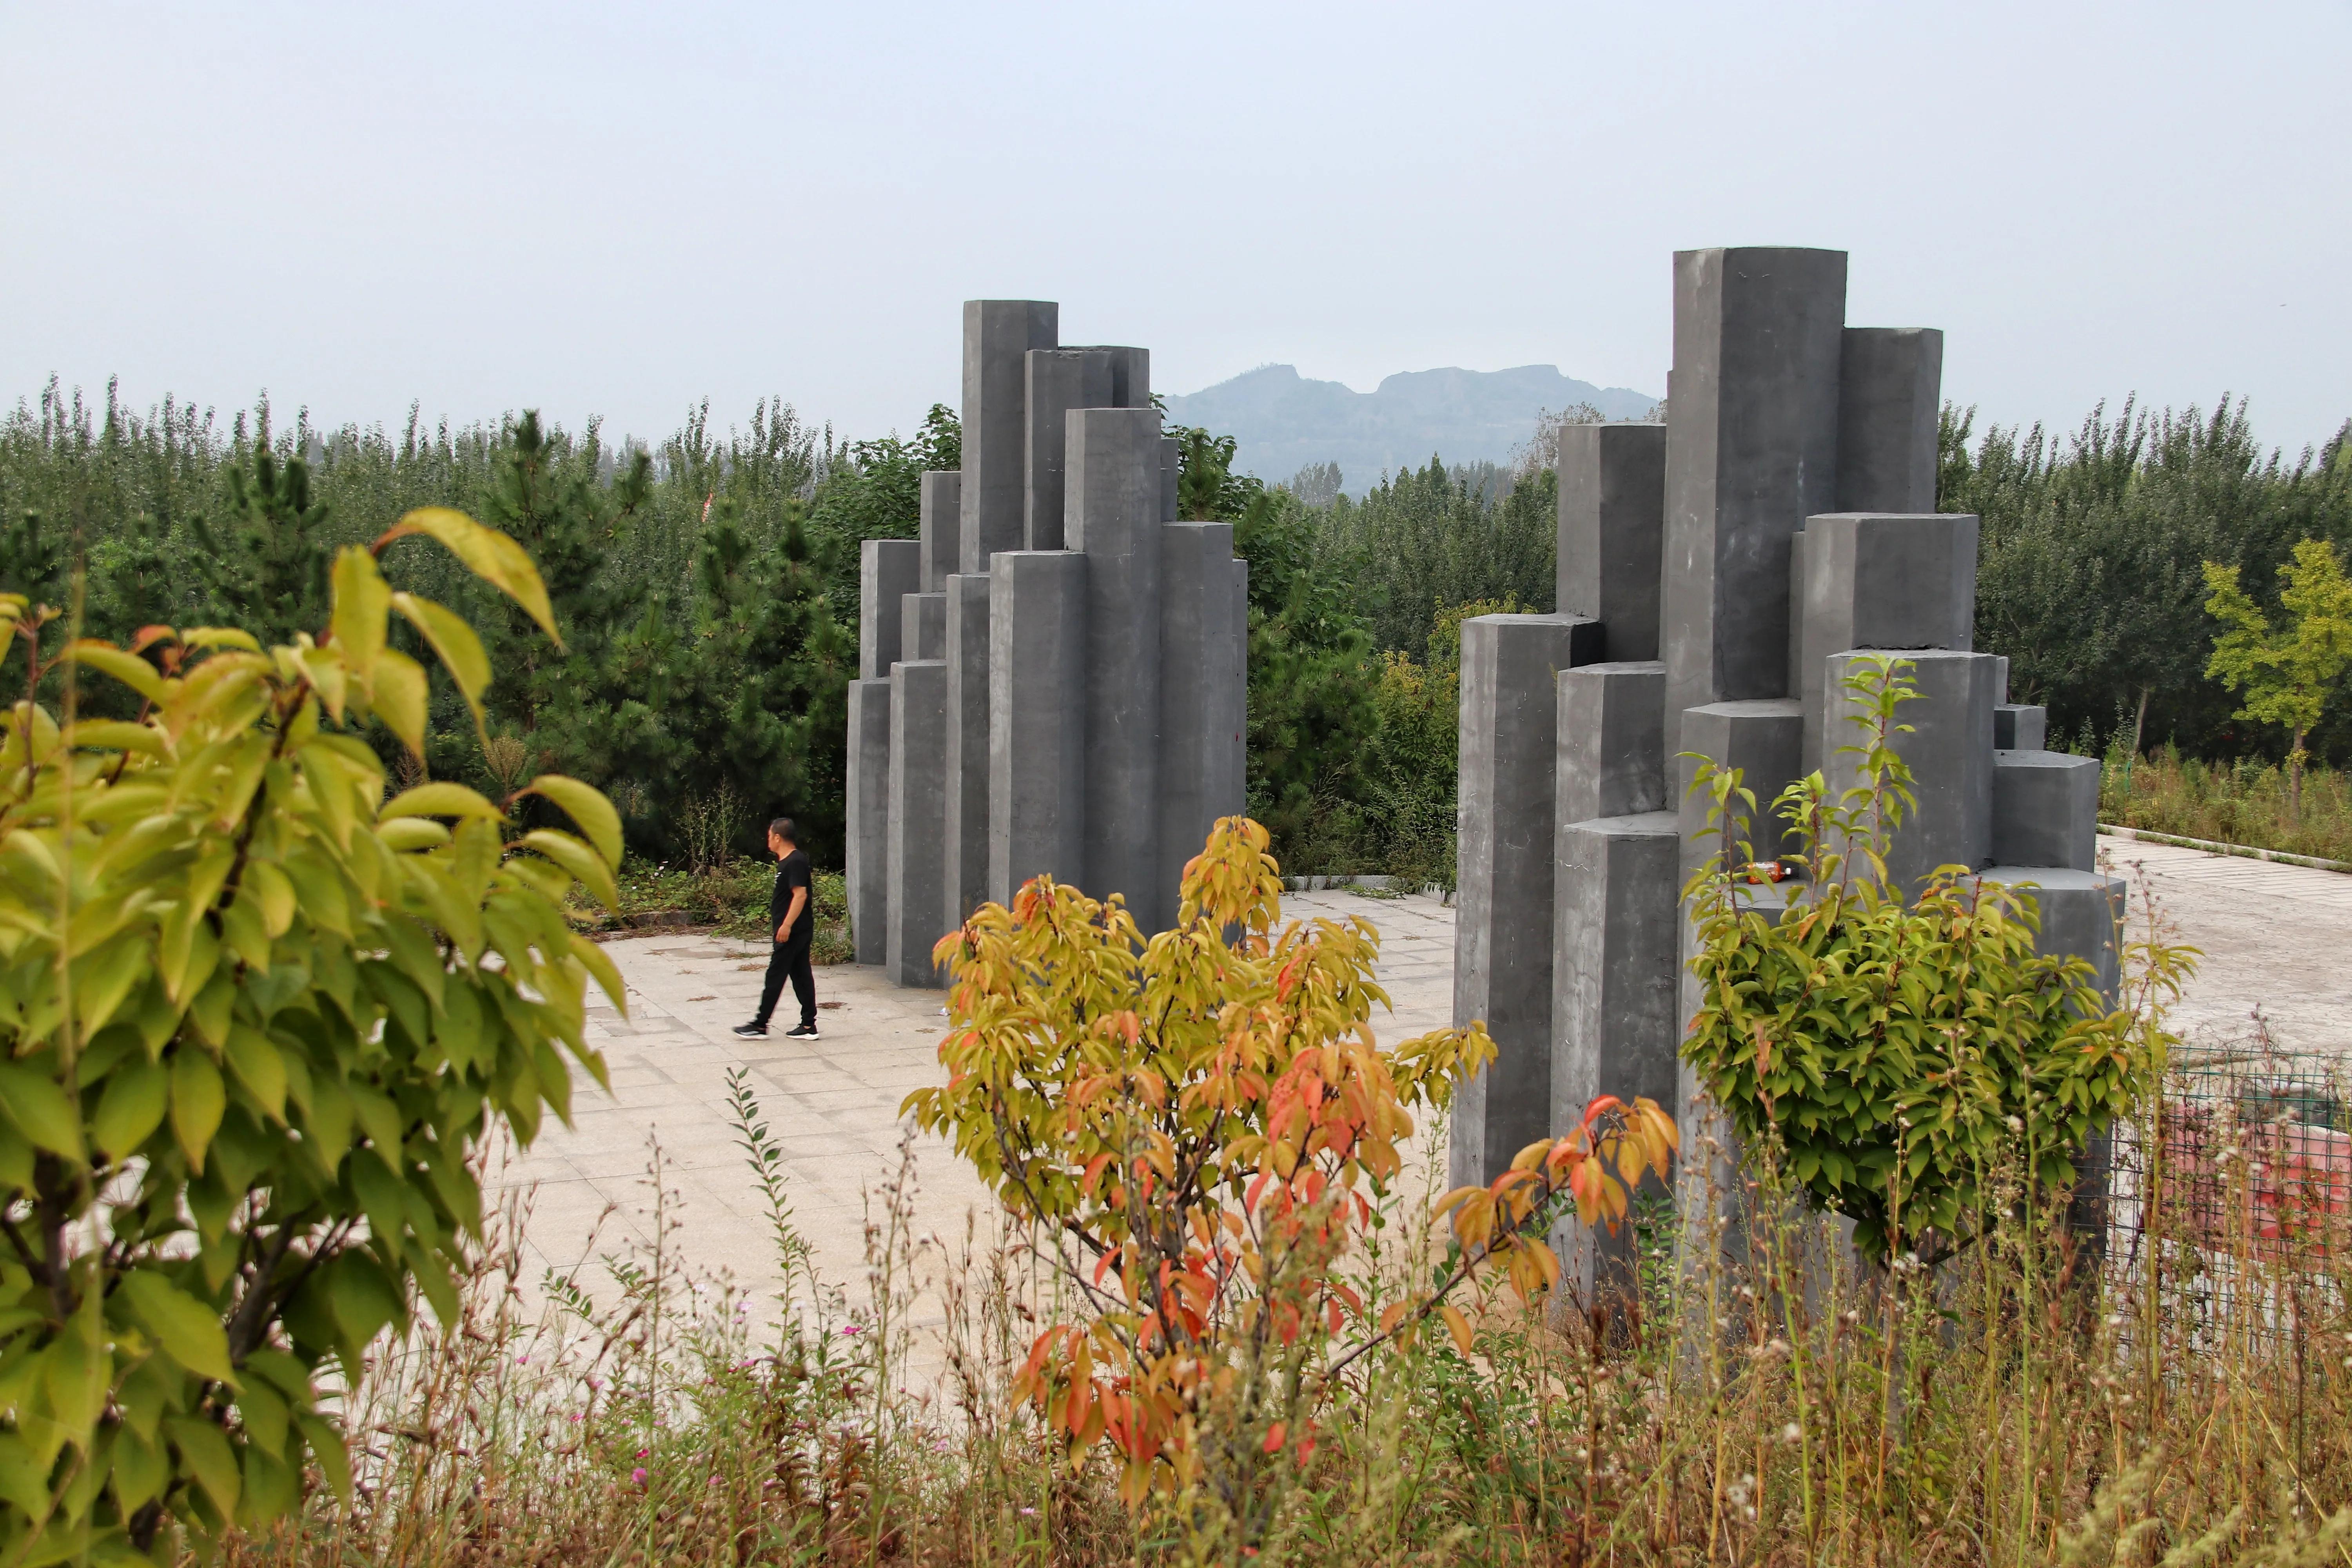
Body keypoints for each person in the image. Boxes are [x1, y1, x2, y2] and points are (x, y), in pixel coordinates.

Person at [733, 817, 817, 1040]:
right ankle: (809, 1025)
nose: (768, 841)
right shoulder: (788, 862)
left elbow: (800, 895)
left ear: (778, 837)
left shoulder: (795, 861)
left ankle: (760, 1025)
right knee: (801, 975)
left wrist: (787, 925)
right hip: (794, 930)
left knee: (775, 975)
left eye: (770, 836)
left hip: (793, 931)